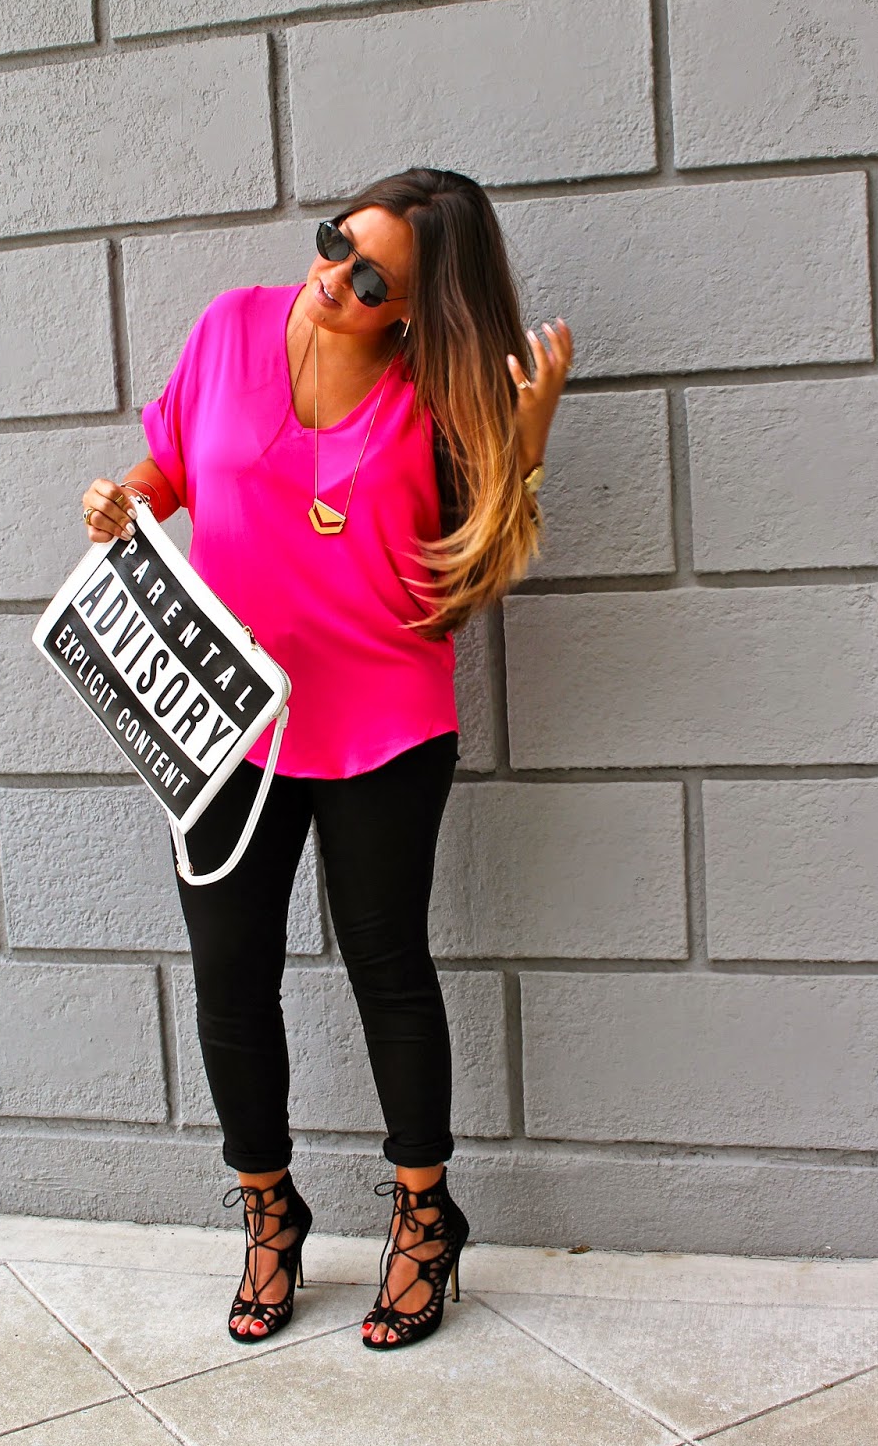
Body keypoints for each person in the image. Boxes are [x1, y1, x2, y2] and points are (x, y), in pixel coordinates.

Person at [80, 167, 572, 1350]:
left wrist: (526, 438)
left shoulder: (435, 394)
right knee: (229, 972)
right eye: (333, 243)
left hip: (383, 720)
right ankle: (269, 1212)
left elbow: (472, 574)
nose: (334, 280)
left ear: (416, 310)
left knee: (386, 965)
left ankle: (425, 1217)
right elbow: (172, 464)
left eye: (371, 281)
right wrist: (127, 499)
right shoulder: (232, 325)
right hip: (224, 715)